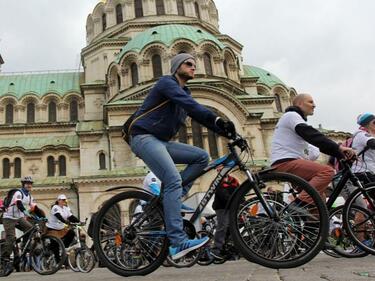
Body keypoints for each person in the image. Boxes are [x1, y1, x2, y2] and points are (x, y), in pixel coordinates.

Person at [129, 53, 236, 260]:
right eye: (188, 64)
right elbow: (192, 107)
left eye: (195, 64)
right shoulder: (166, 83)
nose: (193, 67)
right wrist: (217, 119)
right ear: (176, 66)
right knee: (172, 179)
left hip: (161, 141)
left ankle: (175, 198)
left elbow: (196, 114)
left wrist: (227, 131)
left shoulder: (183, 91)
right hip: (143, 137)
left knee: (201, 157)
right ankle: (177, 243)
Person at [270, 94, 356, 203]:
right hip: (285, 162)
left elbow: (318, 145)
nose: (314, 105)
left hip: (291, 163)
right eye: (310, 102)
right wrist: (338, 148)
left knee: (319, 199)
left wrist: (340, 154)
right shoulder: (291, 116)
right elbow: (313, 136)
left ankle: (312, 219)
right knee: (327, 172)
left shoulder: (295, 121)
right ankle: (297, 205)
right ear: (299, 104)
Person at [2, 176, 44, 264]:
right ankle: (5, 256)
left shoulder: (29, 196)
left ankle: (24, 245)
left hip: (19, 218)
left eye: (30, 184)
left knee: (30, 228)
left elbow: (35, 208)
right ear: (23, 184)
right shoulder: (18, 193)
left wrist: (43, 216)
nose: (29, 185)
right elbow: (18, 203)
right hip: (9, 217)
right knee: (11, 237)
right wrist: (25, 212)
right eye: (27, 184)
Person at [210, 169, 239, 260]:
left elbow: (239, 191)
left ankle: (228, 249)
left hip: (232, 207)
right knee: (222, 226)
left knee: (232, 228)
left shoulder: (234, 180)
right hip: (221, 207)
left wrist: (242, 201)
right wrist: (234, 200)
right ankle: (216, 250)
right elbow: (222, 195)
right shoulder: (217, 181)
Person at [351, 113, 375, 183]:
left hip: (371, 170)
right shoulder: (361, 134)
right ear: (367, 124)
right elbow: (373, 144)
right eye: (374, 122)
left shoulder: (371, 135)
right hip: (362, 171)